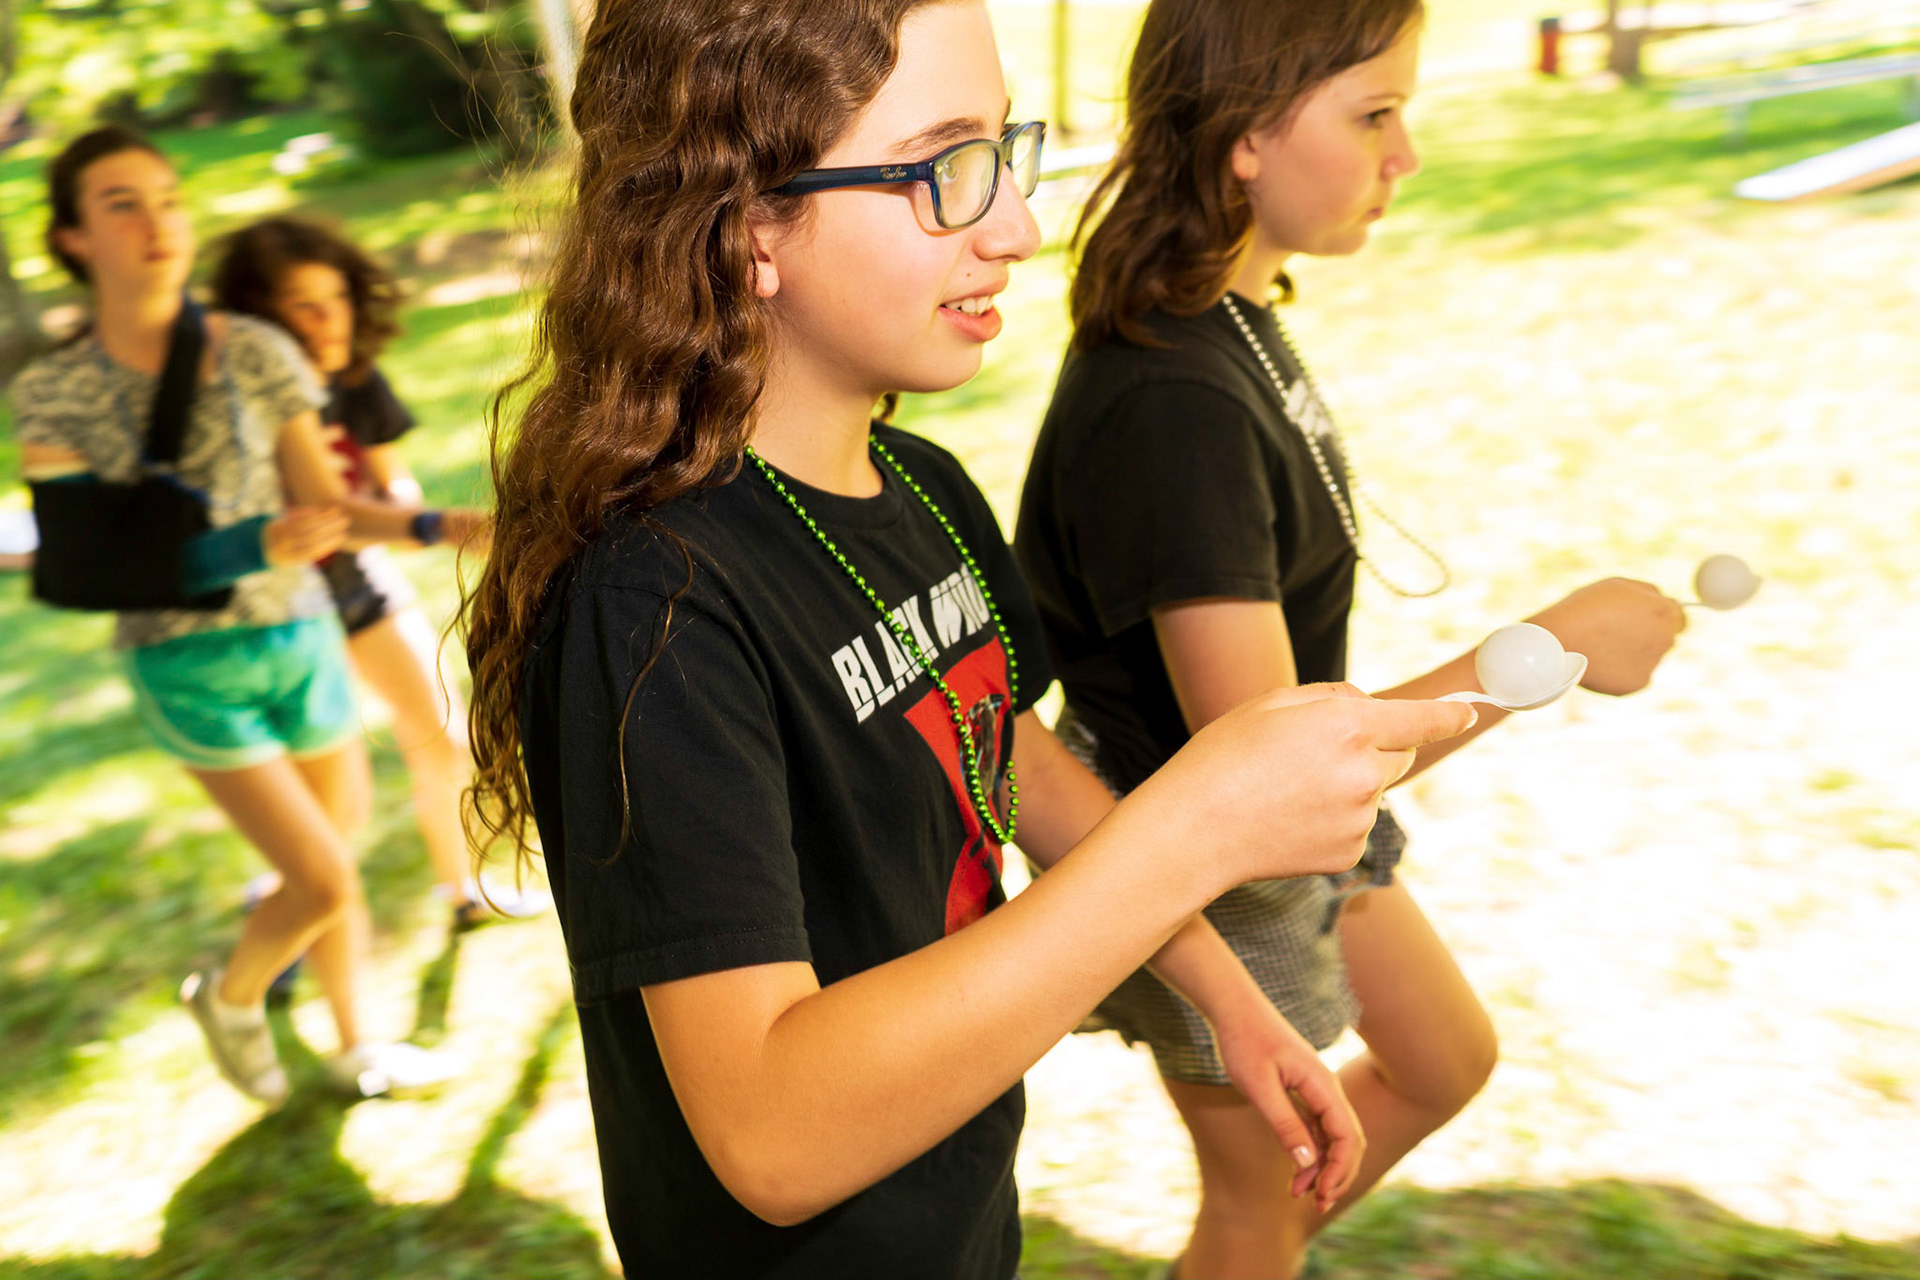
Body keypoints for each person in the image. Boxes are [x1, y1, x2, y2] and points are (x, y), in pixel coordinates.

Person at [458, 0, 1477, 1276]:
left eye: (1006, 151)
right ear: (750, 219)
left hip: (954, 1212)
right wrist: (1192, 830)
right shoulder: (655, 603)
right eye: (947, 171)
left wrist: (1231, 993)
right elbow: (771, 1137)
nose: (1018, 226)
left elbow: (1015, 755)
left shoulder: (924, 486)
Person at [1013, 3, 1689, 1276]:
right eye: (1375, 112)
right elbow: (1258, 766)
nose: (1406, 153)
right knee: (1259, 1198)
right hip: (1198, 856)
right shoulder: (1169, 403)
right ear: (1248, 135)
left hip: (1299, 815)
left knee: (1443, 1056)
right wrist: (1543, 650)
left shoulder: (1232, 315)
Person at [10, 126, 453, 1102]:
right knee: (323, 879)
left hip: (303, 637)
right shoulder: (54, 392)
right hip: (187, 664)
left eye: (167, 197)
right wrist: (247, 546)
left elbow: (325, 510)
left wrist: (450, 521)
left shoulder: (254, 348)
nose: (157, 219)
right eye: (121, 202)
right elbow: (90, 565)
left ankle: (358, 1044)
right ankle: (230, 991)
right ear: (74, 237)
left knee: (334, 861)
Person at [210, 216, 543, 931]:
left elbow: (392, 485)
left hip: (360, 586)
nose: (329, 320)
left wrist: (420, 518)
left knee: (442, 737)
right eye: (303, 304)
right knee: (322, 804)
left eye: (337, 298)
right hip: (282, 607)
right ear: (258, 316)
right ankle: (285, 921)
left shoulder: (358, 380)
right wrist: (424, 526)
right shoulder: (237, 400)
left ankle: (460, 893)